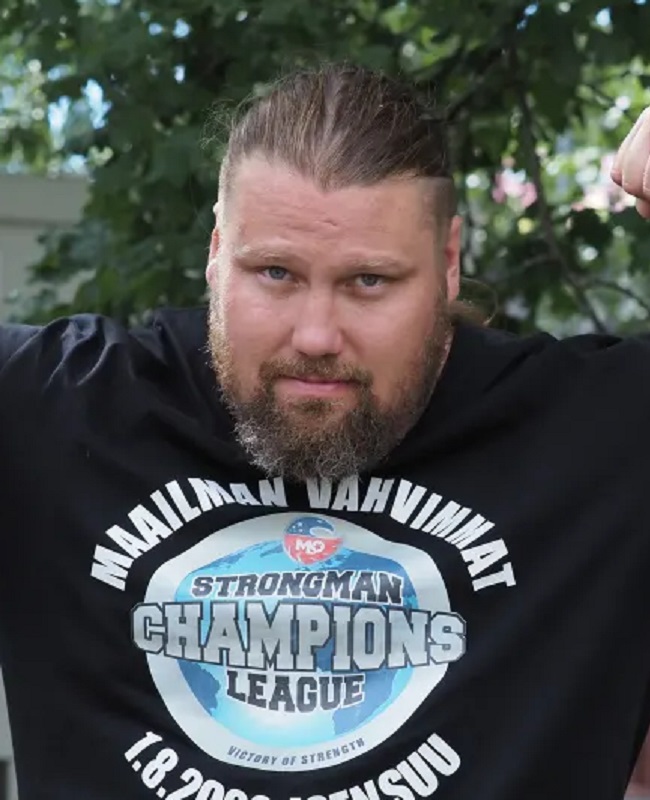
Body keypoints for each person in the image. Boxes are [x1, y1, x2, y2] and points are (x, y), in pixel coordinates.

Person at [0, 62, 649, 800]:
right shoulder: (58, 409)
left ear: (447, 264)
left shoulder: (600, 436)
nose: (315, 336)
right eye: (275, 272)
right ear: (216, 252)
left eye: (368, 281)